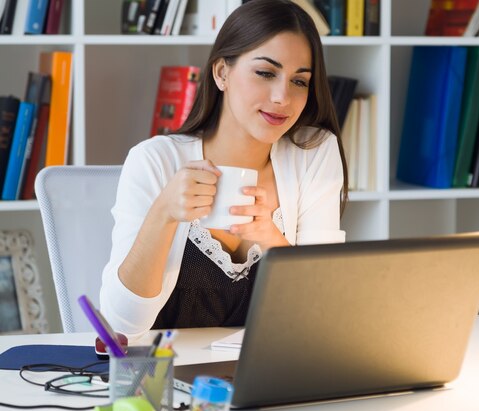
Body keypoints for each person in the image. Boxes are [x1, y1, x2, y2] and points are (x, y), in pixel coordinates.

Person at [100, 0, 348, 340]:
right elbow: (123, 325)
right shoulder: (155, 160)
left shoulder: (314, 152)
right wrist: (164, 214)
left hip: (270, 378)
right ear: (222, 73)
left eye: (299, 81)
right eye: (265, 73)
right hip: (163, 380)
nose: (282, 97)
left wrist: (272, 240)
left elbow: (324, 311)